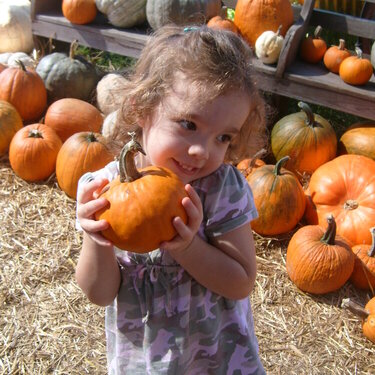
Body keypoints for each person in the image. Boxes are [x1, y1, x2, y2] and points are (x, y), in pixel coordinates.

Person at [75, 24, 268, 375]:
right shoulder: (105, 189)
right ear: (141, 109)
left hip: (215, 357)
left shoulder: (221, 189)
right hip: (147, 361)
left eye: (223, 137)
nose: (201, 151)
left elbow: (241, 282)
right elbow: (100, 293)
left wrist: (188, 247)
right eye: (188, 125)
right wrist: (96, 238)